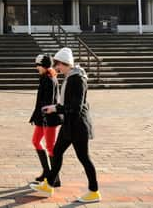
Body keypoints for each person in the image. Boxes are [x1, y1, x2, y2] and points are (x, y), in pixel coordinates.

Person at [30, 47, 101, 203]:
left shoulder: (78, 79)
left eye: (59, 64)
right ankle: (49, 184)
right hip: (70, 124)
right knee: (57, 152)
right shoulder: (70, 77)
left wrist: (56, 108)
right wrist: (55, 108)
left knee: (84, 158)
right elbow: (69, 104)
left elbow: (76, 106)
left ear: (66, 63)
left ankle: (94, 191)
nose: (57, 68)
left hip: (78, 125)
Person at [29, 54, 62, 186]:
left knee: (50, 147)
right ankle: (47, 171)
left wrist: (42, 116)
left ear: (43, 65)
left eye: (38, 65)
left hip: (49, 118)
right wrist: (35, 116)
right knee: (36, 141)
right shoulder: (44, 78)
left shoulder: (49, 79)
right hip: (42, 117)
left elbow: (48, 102)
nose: (36, 68)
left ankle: (55, 177)